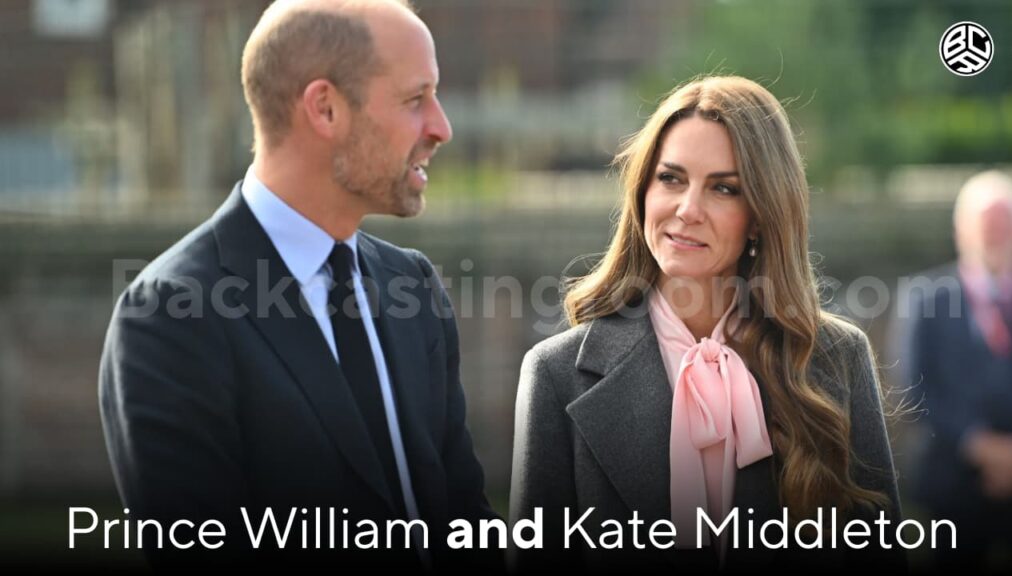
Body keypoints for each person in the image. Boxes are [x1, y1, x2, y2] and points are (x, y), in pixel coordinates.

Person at [98, 0, 495, 570]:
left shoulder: (412, 286)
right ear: (325, 108)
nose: (442, 127)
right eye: (416, 99)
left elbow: (465, 527)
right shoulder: (169, 317)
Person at [509, 76, 905, 573]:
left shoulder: (836, 357)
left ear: (760, 214)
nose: (688, 210)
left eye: (723, 188)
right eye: (671, 179)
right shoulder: (556, 373)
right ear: (642, 191)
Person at [901, 170, 1012, 571]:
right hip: (952, 484)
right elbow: (914, 388)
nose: (995, 233)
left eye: (1004, 223)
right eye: (986, 223)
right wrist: (979, 445)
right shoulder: (925, 298)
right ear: (960, 231)